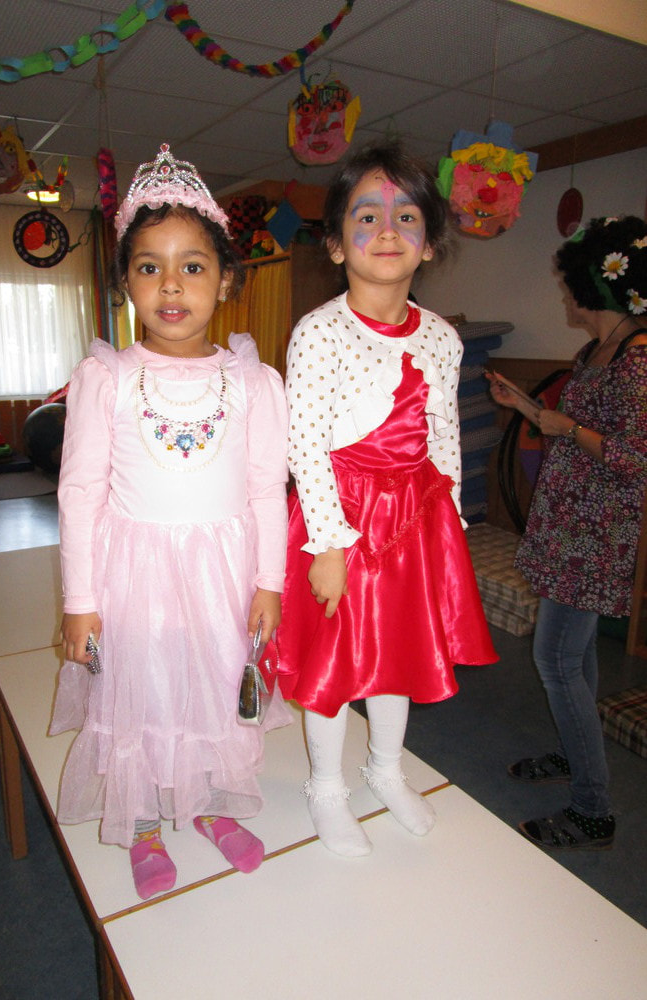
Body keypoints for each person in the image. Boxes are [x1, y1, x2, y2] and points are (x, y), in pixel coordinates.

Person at [49, 144, 291, 899]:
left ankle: (209, 802)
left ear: (226, 279)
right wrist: (79, 601)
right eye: (150, 266)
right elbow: (79, 493)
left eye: (193, 265)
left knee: (215, 685)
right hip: (135, 578)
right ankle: (146, 821)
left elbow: (266, 489)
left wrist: (271, 581)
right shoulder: (107, 377)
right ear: (126, 281)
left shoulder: (254, 381)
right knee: (144, 692)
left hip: (223, 577)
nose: (172, 284)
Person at [277, 142, 497, 857]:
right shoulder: (319, 332)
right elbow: (306, 446)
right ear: (336, 243)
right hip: (339, 517)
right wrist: (328, 545)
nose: (386, 230)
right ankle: (326, 787)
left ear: (428, 244)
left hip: (412, 519)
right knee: (336, 660)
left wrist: (451, 523)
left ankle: (385, 768)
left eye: (406, 217)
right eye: (366, 216)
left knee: (397, 649)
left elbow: (443, 432)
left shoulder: (441, 336)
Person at [488, 215, 647, 851]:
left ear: (595, 286)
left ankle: (592, 810)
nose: (565, 297)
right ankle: (574, 750)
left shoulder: (638, 360)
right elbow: (569, 427)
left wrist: (565, 428)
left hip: (595, 538)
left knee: (554, 659)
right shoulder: (594, 353)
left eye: (569, 286)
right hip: (566, 526)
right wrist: (525, 407)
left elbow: (635, 458)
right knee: (576, 657)